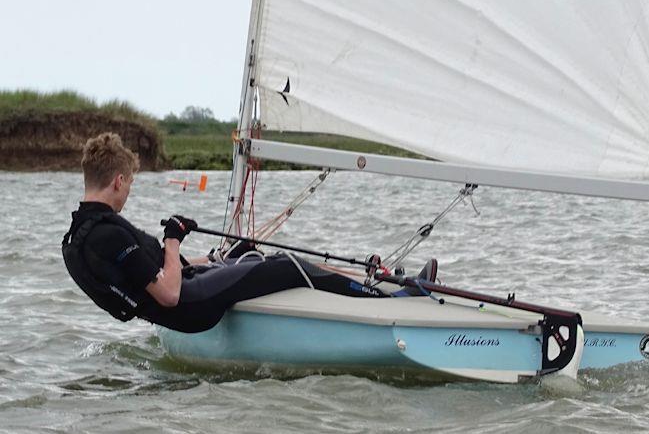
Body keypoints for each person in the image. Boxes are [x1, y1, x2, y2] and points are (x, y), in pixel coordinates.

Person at [62, 132, 437, 333]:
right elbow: (169, 293)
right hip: (192, 309)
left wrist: (213, 258)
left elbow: (149, 273)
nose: (128, 192)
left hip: (186, 297)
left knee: (246, 254)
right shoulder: (110, 234)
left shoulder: (79, 235)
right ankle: (394, 297)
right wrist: (173, 240)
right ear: (117, 180)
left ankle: (374, 280)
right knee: (289, 265)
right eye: (128, 184)